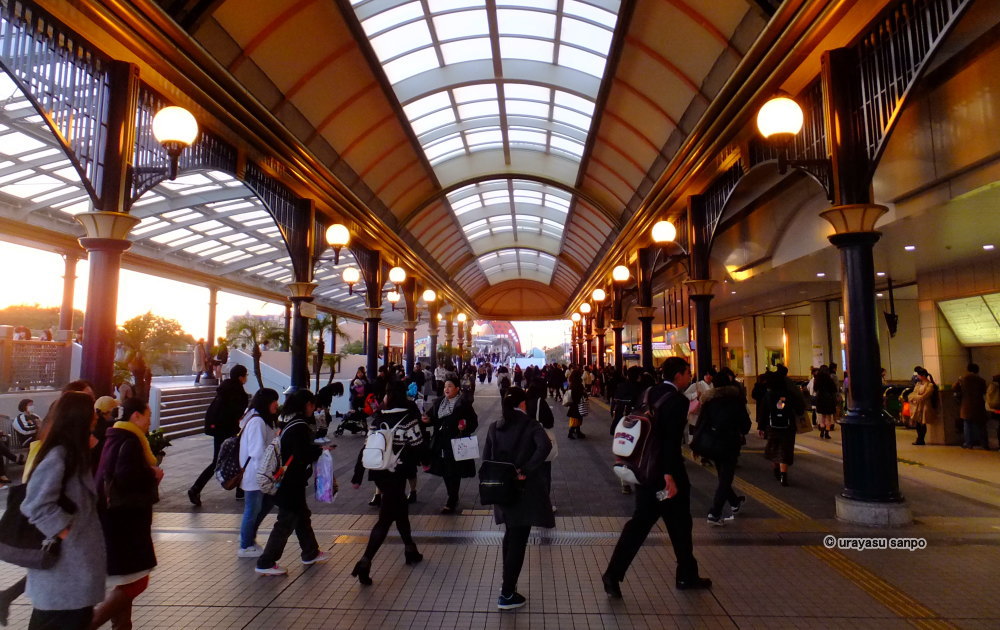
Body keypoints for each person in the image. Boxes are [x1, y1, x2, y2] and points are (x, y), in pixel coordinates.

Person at [603, 357, 711, 598]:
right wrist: (669, 475)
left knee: (640, 524)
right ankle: (686, 575)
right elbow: (670, 441)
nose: (689, 376)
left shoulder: (648, 392)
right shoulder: (677, 400)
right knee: (680, 523)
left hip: (645, 470)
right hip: (667, 476)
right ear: (678, 375)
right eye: (687, 372)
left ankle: (613, 573)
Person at [20, 392, 106, 629]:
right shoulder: (59, 455)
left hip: (72, 575)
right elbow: (35, 504)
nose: (96, 417)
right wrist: (65, 531)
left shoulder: (75, 454)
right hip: (62, 575)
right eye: (92, 412)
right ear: (79, 417)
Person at [90, 397, 162, 630]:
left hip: (114, 521)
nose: (149, 422)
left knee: (126, 581)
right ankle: (89, 624)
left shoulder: (115, 437)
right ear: (136, 416)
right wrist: (153, 475)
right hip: (125, 524)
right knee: (137, 582)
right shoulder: (130, 442)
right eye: (147, 416)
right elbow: (127, 479)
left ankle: (122, 627)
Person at [483, 386, 553, 610]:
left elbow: (486, 459)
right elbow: (545, 446)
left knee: (510, 534)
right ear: (523, 404)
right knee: (518, 539)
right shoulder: (531, 425)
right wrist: (526, 469)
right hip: (524, 491)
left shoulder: (496, 426)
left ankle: (507, 586)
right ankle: (507, 593)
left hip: (502, 491)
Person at [351, 382, 425, 585]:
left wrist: (358, 475)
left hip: (379, 473)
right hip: (398, 473)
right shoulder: (408, 419)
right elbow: (419, 445)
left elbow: (367, 446)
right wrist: (426, 463)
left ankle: (410, 549)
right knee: (385, 519)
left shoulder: (379, 419)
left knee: (400, 511)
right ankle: (364, 562)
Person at [255, 390, 330, 575]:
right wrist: (320, 451)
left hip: (291, 482)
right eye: (312, 405)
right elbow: (301, 455)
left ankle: (310, 552)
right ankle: (266, 562)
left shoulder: (290, 422)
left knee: (302, 517)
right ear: (306, 405)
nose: (313, 408)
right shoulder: (299, 426)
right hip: (290, 483)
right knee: (286, 522)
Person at [693, 371, 751, 525]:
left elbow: (701, 423)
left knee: (723, 475)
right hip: (730, 444)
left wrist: (696, 445)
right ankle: (715, 513)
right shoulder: (736, 400)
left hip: (713, 444)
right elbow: (746, 426)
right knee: (726, 478)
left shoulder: (709, 401)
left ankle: (734, 502)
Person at [189, 365, 249, 506]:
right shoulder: (238, 392)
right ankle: (239, 491)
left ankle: (197, 488)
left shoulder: (224, 388)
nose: (246, 378)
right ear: (241, 377)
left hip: (219, 430)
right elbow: (237, 413)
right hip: (229, 430)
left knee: (220, 460)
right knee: (236, 458)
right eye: (245, 375)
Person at [425, 376, 479, 513]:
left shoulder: (463, 405)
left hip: (456, 442)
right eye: (445, 386)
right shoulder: (439, 403)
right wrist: (427, 420)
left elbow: (473, 422)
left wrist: (465, 426)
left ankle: (452, 499)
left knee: (454, 472)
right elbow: (432, 418)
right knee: (445, 471)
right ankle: (452, 495)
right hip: (441, 443)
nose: (446, 389)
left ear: (457, 389)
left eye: (449, 386)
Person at [237, 388, 281, 557]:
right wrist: (266, 474)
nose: (276, 404)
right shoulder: (257, 422)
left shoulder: (260, 419)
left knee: (264, 505)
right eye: (274, 401)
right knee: (252, 510)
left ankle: (249, 538)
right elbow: (257, 452)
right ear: (266, 402)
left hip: (259, 475)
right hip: (256, 475)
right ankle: (245, 545)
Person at [758, 365, 805, 486]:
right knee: (785, 449)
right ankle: (784, 475)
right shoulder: (790, 394)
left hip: (772, 426)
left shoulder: (769, 395)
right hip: (788, 426)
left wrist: (761, 427)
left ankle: (776, 470)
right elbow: (800, 409)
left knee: (774, 448)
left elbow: (763, 412)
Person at [954, 363, 988, 449]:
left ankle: (968, 443)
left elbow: (954, 387)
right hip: (978, 404)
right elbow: (984, 391)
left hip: (966, 405)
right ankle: (984, 444)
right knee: (981, 425)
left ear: (968, 369)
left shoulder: (963, 379)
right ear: (977, 370)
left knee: (967, 425)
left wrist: (958, 381)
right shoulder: (981, 380)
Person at [909, 367, 938, 446]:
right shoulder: (918, 384)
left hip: (925, 405)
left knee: (923, 423)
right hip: (918, 406)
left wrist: (916, 397)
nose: (918, 377)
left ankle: (921, 439)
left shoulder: (930, 385)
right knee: (918, 423)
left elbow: (924, 396)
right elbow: (913, 394)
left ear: (923, 376)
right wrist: (916, 397)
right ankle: (919, 438)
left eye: (919, 375)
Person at [813, 365, 838, 439]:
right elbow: (834, 389)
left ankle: (822, 431)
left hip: (820, 399)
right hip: (829, 399)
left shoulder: (818, 379)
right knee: (828, 417)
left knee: (822, 416)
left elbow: (815, 389)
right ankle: (827, 433)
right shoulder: (829, 379)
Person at [564, 370, 588, 439]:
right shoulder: (578, 384)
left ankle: (577, 432)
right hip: (577, 404)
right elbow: (581, 393)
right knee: (576, 419)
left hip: (573, 404)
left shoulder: (572, 383)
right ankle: (571, 432)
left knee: (576, 419)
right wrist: (584, 394)